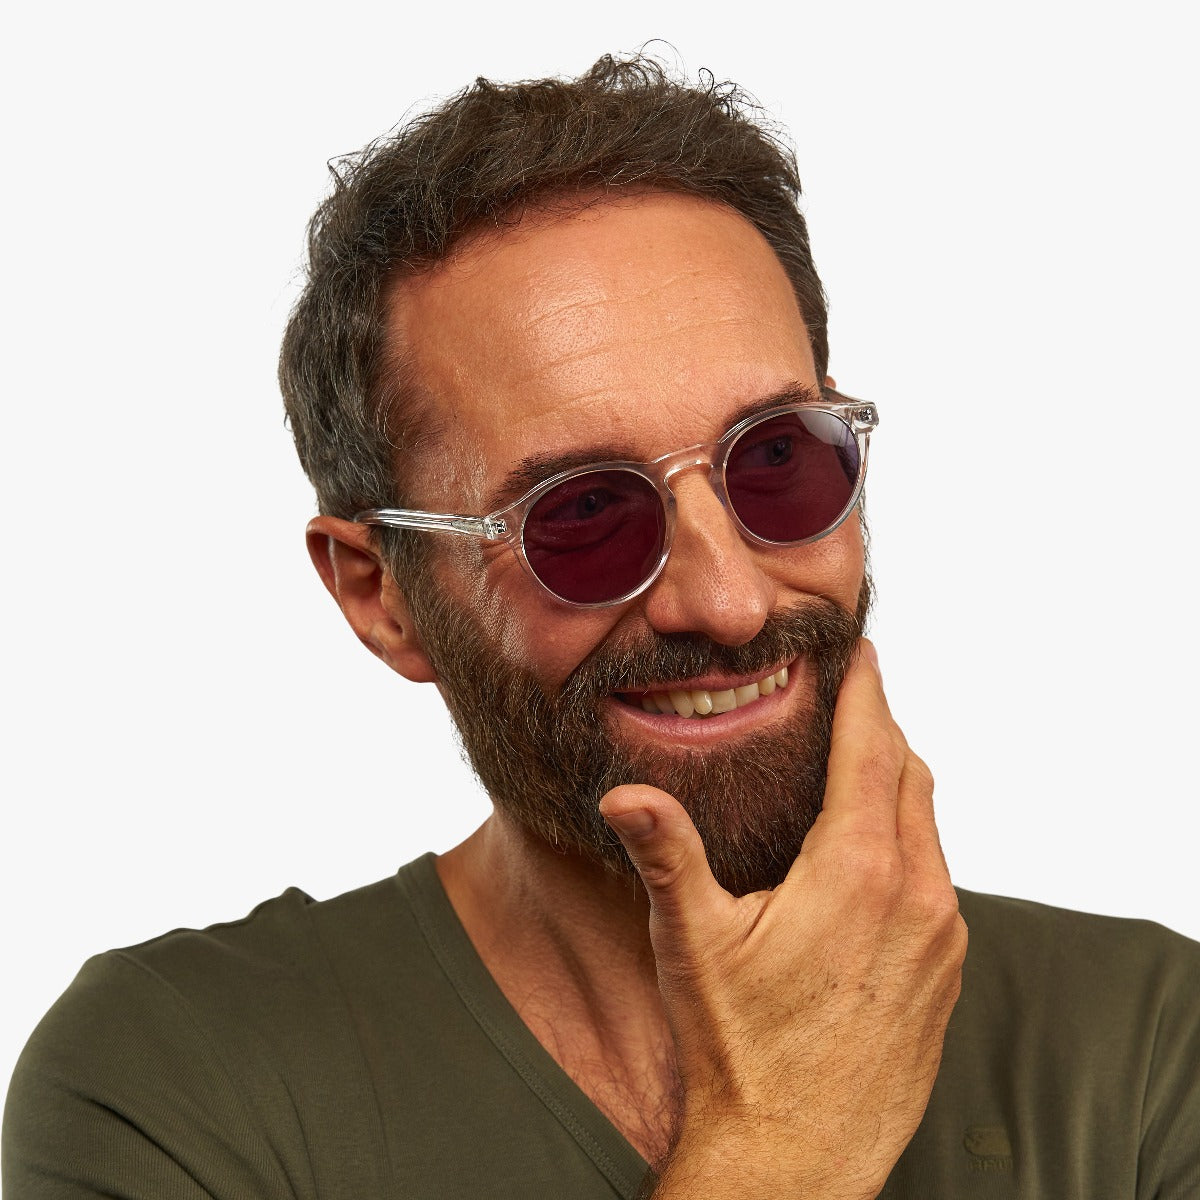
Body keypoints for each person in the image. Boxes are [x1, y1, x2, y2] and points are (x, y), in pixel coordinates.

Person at [4, 54, 1198, 1200]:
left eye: (777, 460)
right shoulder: (172, 1082)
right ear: (380, 592)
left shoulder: (1148, 1044)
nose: (729, 601)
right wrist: (782, 1149)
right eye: (581, 515)